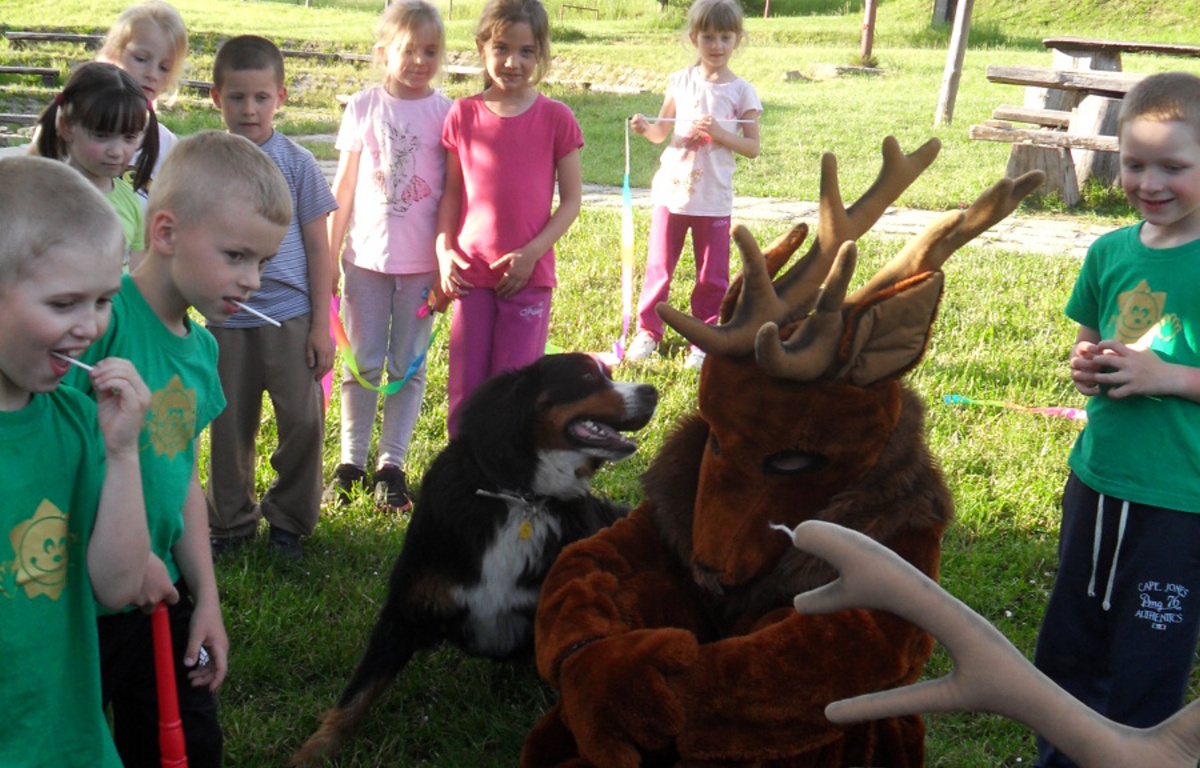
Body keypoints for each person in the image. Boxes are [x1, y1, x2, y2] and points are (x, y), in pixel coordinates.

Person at [65, 131, 292, 768]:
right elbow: (62, 458)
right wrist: (130, 560)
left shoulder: (201, 350)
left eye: (263, 263)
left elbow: (181, 479)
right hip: (76, 603)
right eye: (236, 256)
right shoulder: (102, 322)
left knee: (188, 749)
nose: (252, 280)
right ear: (165, 232)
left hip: (161, 593)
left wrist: (206, 598)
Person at [1032, 71, 1200, 768]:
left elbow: (1160, 369)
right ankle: (1061, 753)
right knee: (1069, 641)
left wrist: (1170, 378)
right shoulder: (1109, 252)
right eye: (1134, 164)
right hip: (1097, 481)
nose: (1148, 183)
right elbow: (1092, 338)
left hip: (1179, 503)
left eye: (1173, 167)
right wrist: (1085, 363)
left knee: (1147, 655)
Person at [0, 155, 164, 768]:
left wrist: (121, 453)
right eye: (65, 303)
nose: (90, 327)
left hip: (67, 740)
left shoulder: (74, 422)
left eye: (104, 301)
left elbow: (118, 585)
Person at [205, 35, 337, 557]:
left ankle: (289, 520)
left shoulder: (298, 163)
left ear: (280, 97)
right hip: (226, 317)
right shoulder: (207, 164)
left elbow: (319, 248)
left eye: (261, 97)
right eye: (237, 97)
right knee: (228, 425)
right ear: (216, 98)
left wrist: (322, 325)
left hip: (291, 316)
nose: (249, 109)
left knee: (302, 421)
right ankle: (230, 523)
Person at [323, 0, 452, 511]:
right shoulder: (362, 107)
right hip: (364, 262)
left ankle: (391, 466)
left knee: (407, 366)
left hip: (422, 268)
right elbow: (343, 188)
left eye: (430, 51)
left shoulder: (447, 113)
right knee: (361, 362)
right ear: (383, 52)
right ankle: (351, 462)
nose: (419, 61)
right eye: (408, 50)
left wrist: (446, 266)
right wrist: (329, 258)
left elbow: (454, 195)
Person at [436, 0, 583, 437]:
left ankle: (506, 469)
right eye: (501, 48)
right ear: (482, 47)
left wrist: (531, 254)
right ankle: (462, 468)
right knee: (466, 392)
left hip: (527, 278)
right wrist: (443, 251)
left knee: (515, 393)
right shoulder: (462, 114)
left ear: (541, 54)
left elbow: (572, 202)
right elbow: (452, 194)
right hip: (470, 276)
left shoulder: (557, 118)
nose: (512, 62)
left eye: (526, 51)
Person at [623, 0, 761, 369]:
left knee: (711, 276)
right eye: (708, 37)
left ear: (737, 40)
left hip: (713, 200)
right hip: (671, 195)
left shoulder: (742, 92)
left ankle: (705, 336)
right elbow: (660, 132)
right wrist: (645, 128)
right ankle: (648, 331)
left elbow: (752, 147)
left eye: (725, 37)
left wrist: (719, 133)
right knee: (659, 268)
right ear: (694, 39)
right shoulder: (680, 82)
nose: (717, 45)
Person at [32, 61, 160, 269]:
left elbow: (135, 273)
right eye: (101, 135)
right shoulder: (44, 196)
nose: (116, 151)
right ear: (66, 128)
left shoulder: (131, 202)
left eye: (128, 138)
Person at [97, 0, 189, 184]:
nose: (152, 74)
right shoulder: (81, 120)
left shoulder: (167, 146)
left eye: (164, 68)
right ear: (114, 52)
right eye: (141, 59)